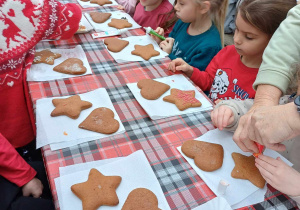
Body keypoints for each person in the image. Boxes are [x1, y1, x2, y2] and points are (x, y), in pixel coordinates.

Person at [0, 0, 81, 209]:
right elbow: (71, 17)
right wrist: (23, 174)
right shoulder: (21, 5)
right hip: (10, 148)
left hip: (15, 135)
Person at [168, 0, 295, 102]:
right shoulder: (227, 52)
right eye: (236, 29)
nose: (236, 39)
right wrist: (191, 71)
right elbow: (208, 81)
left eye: (249, 37)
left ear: (275, 41)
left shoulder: (269, 83)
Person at [153, 0, 227, 74]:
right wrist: (161, 41)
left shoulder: (210, 46)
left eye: (181, 4)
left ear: (203, 8)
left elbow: (192, 77)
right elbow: (170, 45)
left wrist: (169, 55)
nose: (175, 7)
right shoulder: (183, 22)